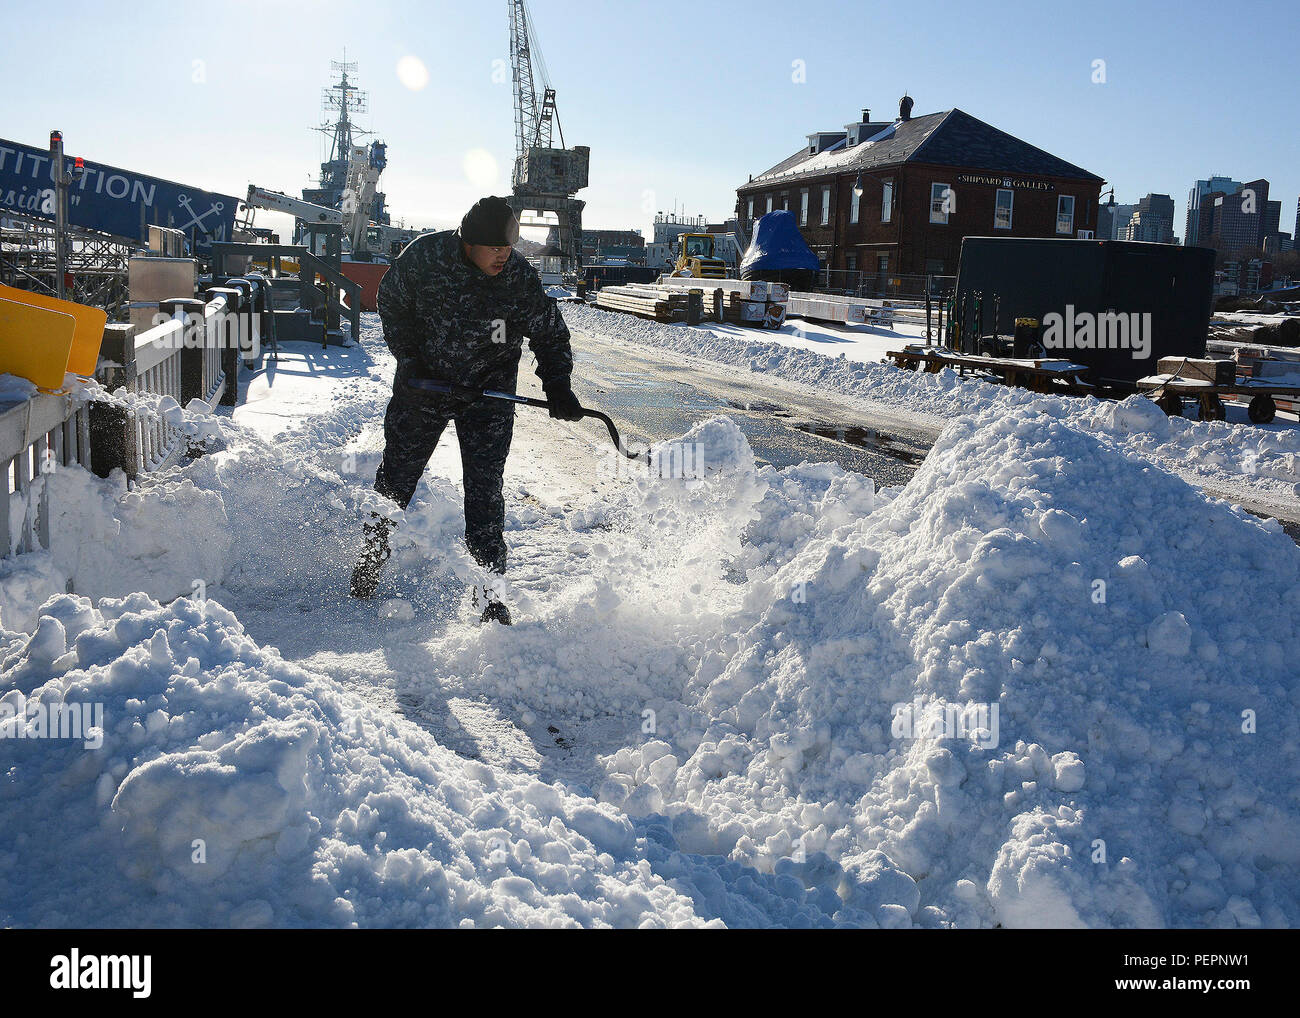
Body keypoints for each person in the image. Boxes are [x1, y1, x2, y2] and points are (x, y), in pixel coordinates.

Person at [350, 196, 584, 624]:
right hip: (425, 388)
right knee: (396, 480)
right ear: (467, 242)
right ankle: (368, 566)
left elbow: (549, 332)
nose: (503, 255)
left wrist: (558, 384)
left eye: (509, 246)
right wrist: (410, 359)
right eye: (494, 247)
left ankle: (490, 596)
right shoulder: (425, 256)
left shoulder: (515, 276)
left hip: (487, 393)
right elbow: (391, 301)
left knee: (485, 492)